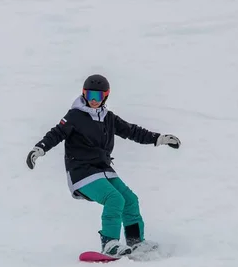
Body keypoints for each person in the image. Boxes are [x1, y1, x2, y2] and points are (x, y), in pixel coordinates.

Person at [26, 74, 181, 257]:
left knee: (130, 199)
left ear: (105, 96)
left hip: (103, 170)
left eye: (98, 96)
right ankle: (109, 243)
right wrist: (40, 149)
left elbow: (132, 131)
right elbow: (56, 133)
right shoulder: (75, 116)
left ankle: (135, 242)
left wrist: (158, 139)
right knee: (114, 198)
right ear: (83, 94)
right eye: (89, 95)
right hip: (82, 172)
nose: (93, 100)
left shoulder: (108, 118)